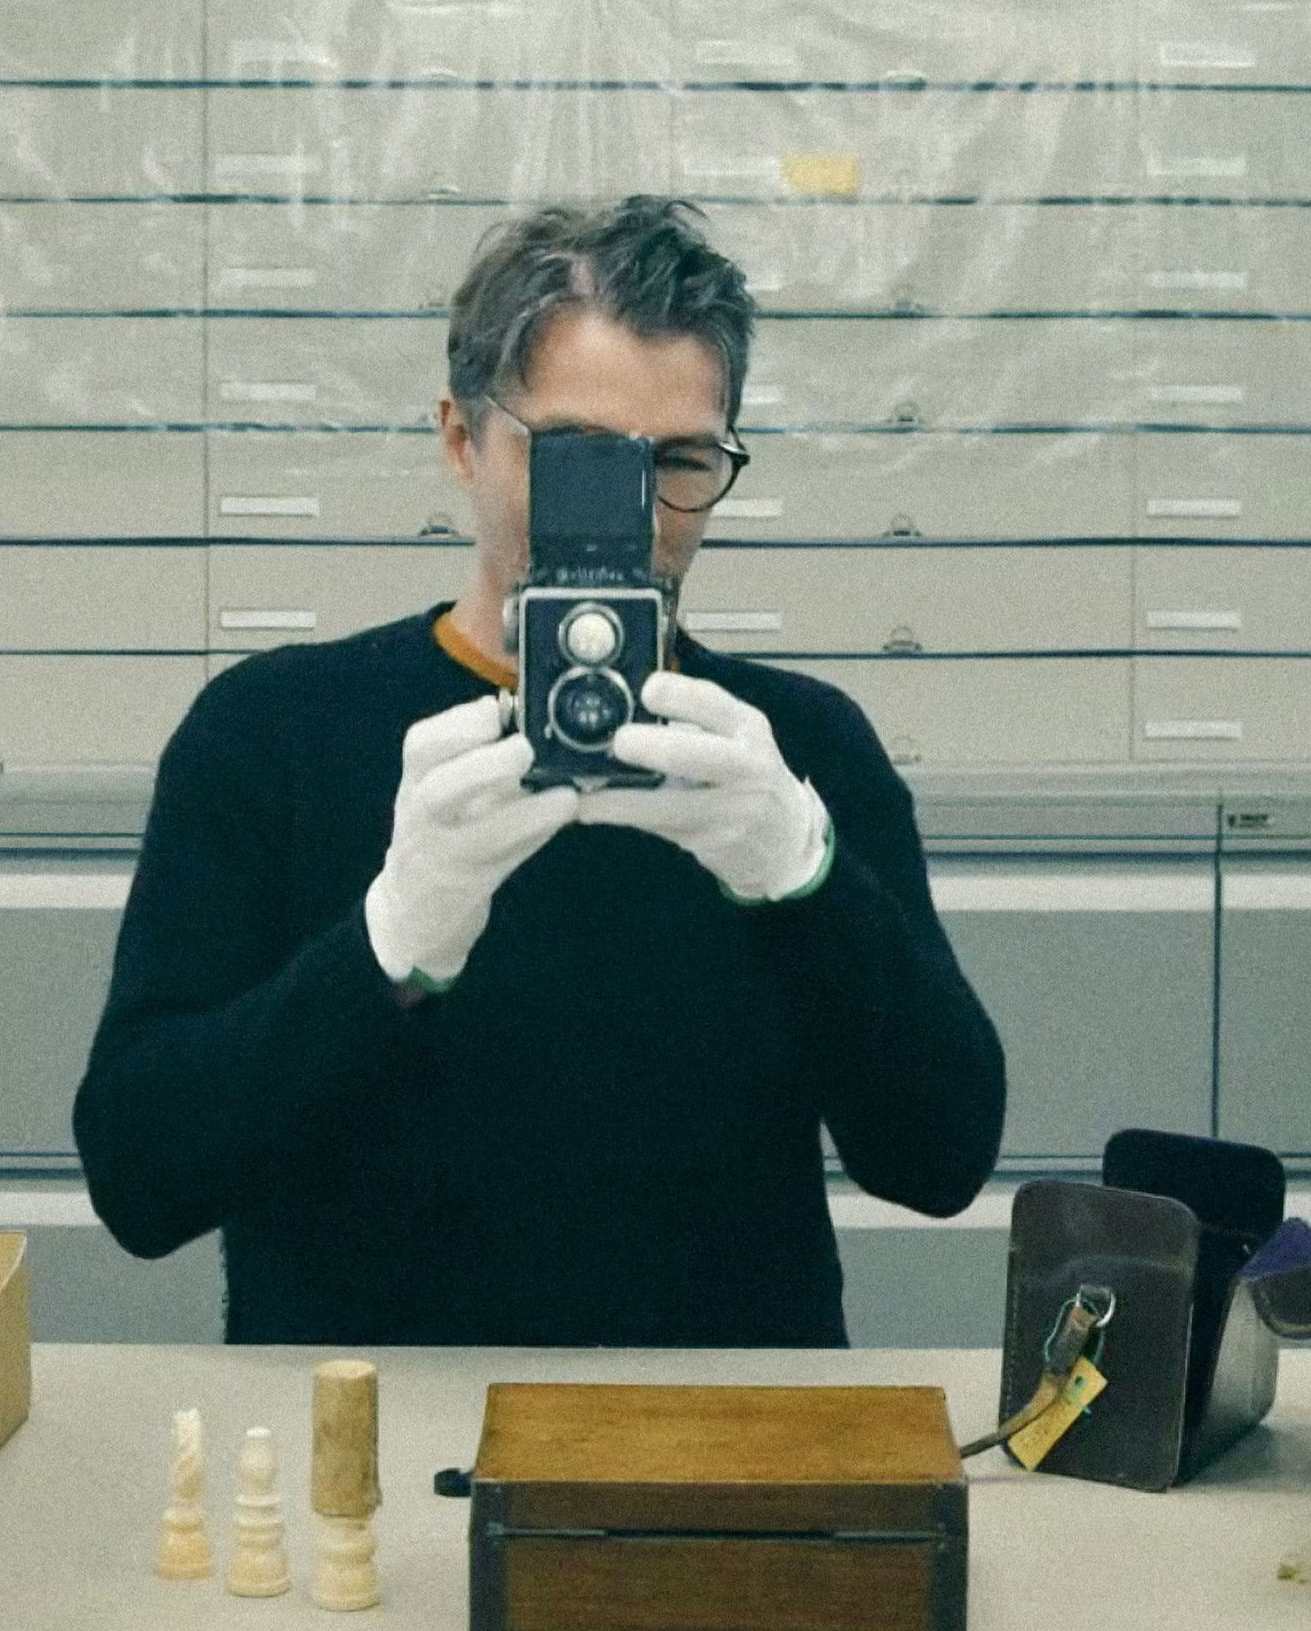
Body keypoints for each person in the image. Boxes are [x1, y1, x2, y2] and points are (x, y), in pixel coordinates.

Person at [72, 197, 1005, 1345]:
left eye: (679, 461)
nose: (628, 514)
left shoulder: (800, 747)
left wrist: (803, 881)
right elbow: (141, 1178)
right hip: (380, 1425)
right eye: (573, 458)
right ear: (461, 439)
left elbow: (939, 1159)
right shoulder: (270, 735)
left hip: (720, 1427)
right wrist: (382, 951)